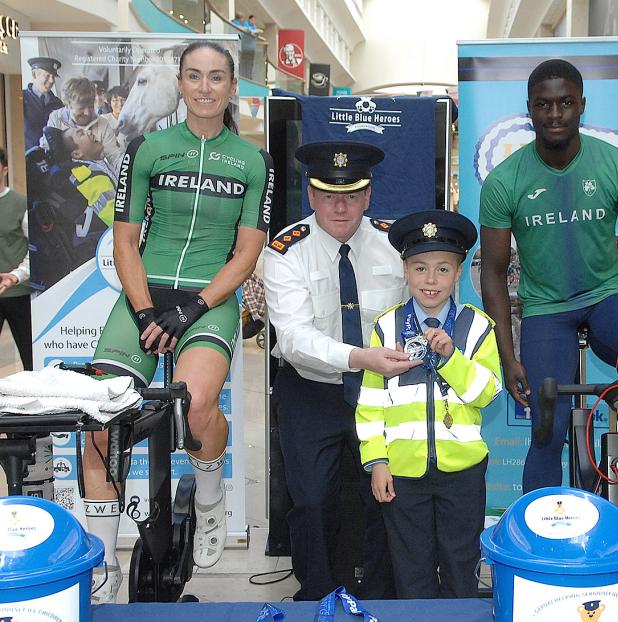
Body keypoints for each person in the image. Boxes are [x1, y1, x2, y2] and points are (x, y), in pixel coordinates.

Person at [84, 40, 274, 603]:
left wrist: (190, 309)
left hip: (208, 298)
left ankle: (210, 496)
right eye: (195, 76)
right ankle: (103, 561)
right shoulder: (145, 147)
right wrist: (146, 311)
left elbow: (246, 254)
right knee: (99, 420)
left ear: (231, 87)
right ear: (181, 84)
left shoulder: (252, 161)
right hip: (144, 291)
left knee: (196, 404)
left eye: (217, 78)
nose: (206, 87)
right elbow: (124, 239)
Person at [479, 59, 618, 493]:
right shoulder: (505, 181)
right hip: (546, 308)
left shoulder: (616, 165)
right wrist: (508, 357)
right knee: (546, 427)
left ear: (582, 104)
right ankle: (538, 541)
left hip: (607, 295)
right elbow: (491, 272)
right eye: (543, 105)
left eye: (566, 102)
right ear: (529, 109)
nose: (555, 114)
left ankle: (608, 467)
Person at [264, 140, 418, 601]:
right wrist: (359, 356)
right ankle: (316, 594)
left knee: (390, 496)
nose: (340, 206)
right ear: (310, 196)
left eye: (351, 194)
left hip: (385, 389)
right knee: (311, 500)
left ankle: (377, 595)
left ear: (368, 195)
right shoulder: (285, 251)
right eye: (328, 195)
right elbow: (292, 338)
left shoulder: (398, 244)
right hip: (312, 390)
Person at [357, 210, 502, 599]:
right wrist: (378, 461)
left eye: (442, 269)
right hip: (403, 471)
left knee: (460, 566)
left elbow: (487, 392)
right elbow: (370, 405)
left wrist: (453, 358)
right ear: (405, 270)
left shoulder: (477, 326)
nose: (431, 280)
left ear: (458, 274)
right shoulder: (386, 327)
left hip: (463, 470)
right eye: (420, 268)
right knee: (411, 568)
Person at [46, 76, 123, 171]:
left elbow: (115, 157)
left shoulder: (102, 123)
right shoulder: (56, 118)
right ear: (67, 104)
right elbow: (48, 151)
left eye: (91, 106)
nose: (87, 113)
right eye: (81, 107)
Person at [0, 147, 33, 372]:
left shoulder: (20, 204)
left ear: (4, 170)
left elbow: (35, 250)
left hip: (18, 294)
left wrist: (16, 275)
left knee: (29, 357)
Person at [23, 57, 64, 151]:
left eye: (53, 77)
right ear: (34, 74)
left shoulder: (58, 104)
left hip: (51, 160)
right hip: (27, 159)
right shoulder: (21, 99)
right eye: (47, 75)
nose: (52, 81)